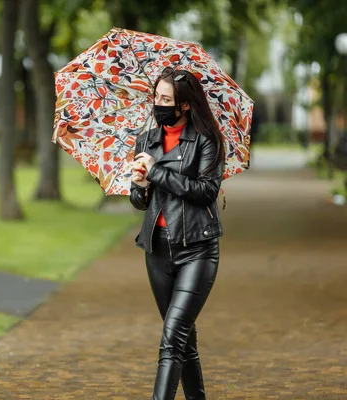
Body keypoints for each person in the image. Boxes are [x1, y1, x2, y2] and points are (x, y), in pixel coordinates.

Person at [130, 67, 226, 400]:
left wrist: (156, 172)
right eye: (156, 97)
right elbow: (140, 202)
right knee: (184, 340)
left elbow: (205, 192)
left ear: (185, 105)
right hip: (157, 252)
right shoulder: (147, 139)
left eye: (165, 99)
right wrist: (140, 185)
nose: (158, 104)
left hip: (197, 249)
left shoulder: (208, 140)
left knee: (172, 337)